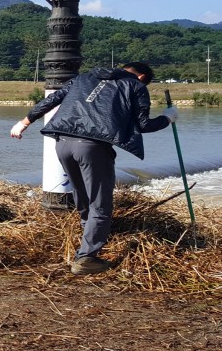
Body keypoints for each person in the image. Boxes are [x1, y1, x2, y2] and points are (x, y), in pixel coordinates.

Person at [9, 62, 176, 276]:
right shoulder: (136, 86)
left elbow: (52, 100)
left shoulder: (84, 78)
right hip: (92, 147)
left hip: (62, 143)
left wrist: (24, 122)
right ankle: (86, 258)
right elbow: (143, 125)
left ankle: (86, 235)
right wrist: (168, 118)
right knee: (100, 202)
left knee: (81, 193)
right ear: (142, 77)